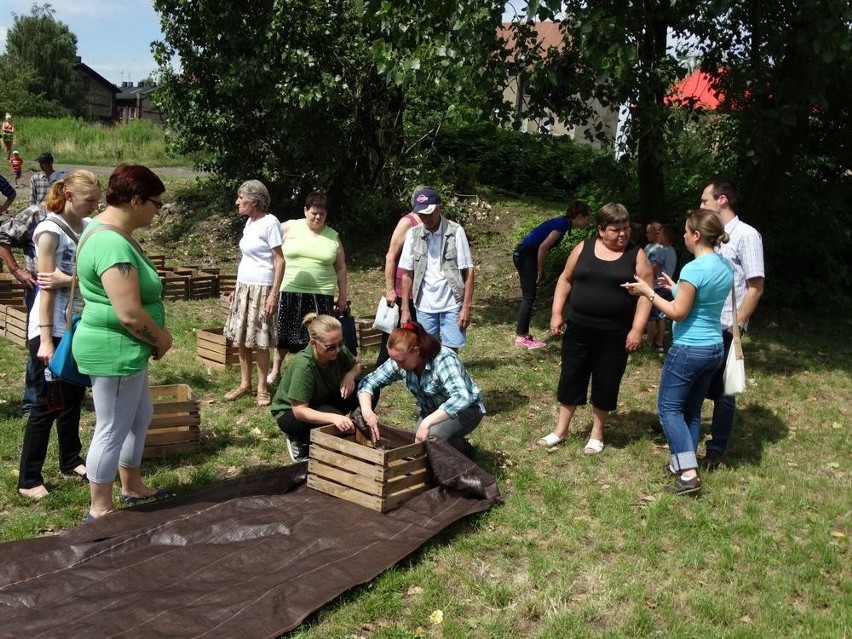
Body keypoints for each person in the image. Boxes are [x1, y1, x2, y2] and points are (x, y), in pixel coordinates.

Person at [73, 164, 174, 521]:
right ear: (135, 200)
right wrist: (160, 339)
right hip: (114, 350)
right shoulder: (110, 243)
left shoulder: (113, 233)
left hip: (128, 350)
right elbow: (129, 313)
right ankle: (100, 507)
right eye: (156, 204)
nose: (157, 211)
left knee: (139, 416)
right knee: (111, 427)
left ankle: (131, 485)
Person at [622, 209, 733, 495]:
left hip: (689, 349)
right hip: (714, 348)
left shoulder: (694, 269)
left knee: (669, 410)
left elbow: (679, 313)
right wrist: (677, 288)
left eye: (686, 231)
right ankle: (683, 461)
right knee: (691, 410)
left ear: (696, 235)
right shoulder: (723, 265)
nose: (682, 235)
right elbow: (701, 301)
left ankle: (688, 474)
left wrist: (648, 291)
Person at [537, 203, 653, 454]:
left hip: (615, 332)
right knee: (571, 376)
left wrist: (637, 329)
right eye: (616, 229)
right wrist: (557, 313)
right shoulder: (583, 248)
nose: (623, 234)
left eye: (626, 229)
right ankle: (560, 430)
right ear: (601, 230)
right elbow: (565, 280)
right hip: (579, 327)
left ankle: (597, 433)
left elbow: (646, 295)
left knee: (606, 380)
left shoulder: (637, 255)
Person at [17, 170, 101, 500]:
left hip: (78, 324)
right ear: (68, 196)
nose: (94, 206)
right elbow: (47, 286)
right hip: (50, 326)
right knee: (46, 402)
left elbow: (75, 276)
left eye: (97, 200)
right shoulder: (49, 231)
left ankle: (70, 460)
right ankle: (28, 479)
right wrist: (47, 340)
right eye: (89, 200)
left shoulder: (90, 227)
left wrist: (69, 280)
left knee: (72, 400)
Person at [699, 177, 765, 469]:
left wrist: (736, 325)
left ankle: (717, 449)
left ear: (722, 200)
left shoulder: (747, 235)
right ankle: (679, 426)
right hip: (704, 322)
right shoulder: (713, 234)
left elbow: (756, 286)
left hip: (727, 325)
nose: (701, 205)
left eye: (705, 201)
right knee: (697, 381)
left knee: (725, 391)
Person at [358, 321, 485, 456]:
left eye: (401, 361)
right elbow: (368, 382)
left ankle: (454, 462)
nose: (397, 365)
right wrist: (367, 412)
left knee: (431, 437)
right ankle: (460, 448)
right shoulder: (400, 359)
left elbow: (462, 397)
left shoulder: (444, 359)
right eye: (394, 360)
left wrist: (427, 422)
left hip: (467, 410)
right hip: (432, 411)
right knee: (418, 442)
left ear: (416, 351)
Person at [268, 192, 348, 383]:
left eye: (321, 213)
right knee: (285, 334)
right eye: (313, 213)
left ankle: (316, 372)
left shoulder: (333, 236)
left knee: (319, 336)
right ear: (305, 211)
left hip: (321, 294)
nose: (317, 217)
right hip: (290, 290)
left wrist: (343, 295)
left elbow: (341, 267)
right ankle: (275, 370)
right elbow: (271, 254)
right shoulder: (288, 227)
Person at [222, 180, 284, 406]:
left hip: (262, 288)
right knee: (241, 338)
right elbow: (247, 258)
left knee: (260, 339)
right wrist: (236, 288)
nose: (237, 202)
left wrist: (273, 294)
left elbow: (279, 260)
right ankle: (244, 384)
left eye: (241, 198)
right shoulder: (249, 222)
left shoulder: (271, 223)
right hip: (244, 287)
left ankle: (261, 388)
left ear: (255, 201)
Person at [270, 313, 362, 462]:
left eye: (341, 343)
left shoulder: (338, 350)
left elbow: (357, 366)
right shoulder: (304, 365)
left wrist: (350, 376)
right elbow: (299, 411)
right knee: (333, 421)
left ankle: (357, 428)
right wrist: (335, 417)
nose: (337, 350)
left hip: (321, 400)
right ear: (314, 344)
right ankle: (299, 438)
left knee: (366, 388)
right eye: (331, 347)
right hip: (292, 414)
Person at [399, 187, 475, 350]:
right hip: (424, 305)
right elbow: (407, 274)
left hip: (452, 303)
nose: (426, 218)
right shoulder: (413, 234)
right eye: (422, 214)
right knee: (426, 351)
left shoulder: (456, 231)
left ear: (440, 207)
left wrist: (466, 307)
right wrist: (405, 309)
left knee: (451, 352)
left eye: (430, 213)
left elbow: (468, 270)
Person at [512, 200, 591, 349]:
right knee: (529, 297)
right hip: (526, 255)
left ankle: (523, 334)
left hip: (523, 254)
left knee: (529, 296)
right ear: (580, 216)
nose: (587, 222)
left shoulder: (562, 222)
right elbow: (543, 247)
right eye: (587, 219)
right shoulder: (562, 224)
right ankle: (521, 337)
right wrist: (540, 269)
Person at [375, 194, 422, 367]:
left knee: (415, 331)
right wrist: (390, 290)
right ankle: (381, 367)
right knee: (393, 332)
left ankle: (412, 364)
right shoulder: (407, 222)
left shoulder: (431, 223)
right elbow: (390, 256)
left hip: (421, 288)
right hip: (403, 287)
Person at [646, 223, 678, 352]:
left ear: (666, 237)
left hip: (657, 287)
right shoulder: (672, 251)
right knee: (662, 316)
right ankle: (659, 343)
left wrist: (646, 277)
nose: (658, 236)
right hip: (667, 287)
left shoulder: (661, 250)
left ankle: (649, 343)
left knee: (652, 317)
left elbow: (655, 267)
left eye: (660, 234)